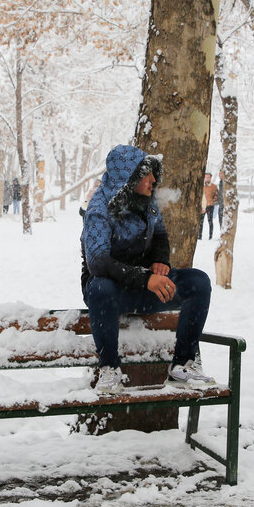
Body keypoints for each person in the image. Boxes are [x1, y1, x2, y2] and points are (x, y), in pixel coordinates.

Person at [81, 145, 214, 394]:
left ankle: (183, 364)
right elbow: (98, 262)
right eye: (147, 175)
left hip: (146, 288)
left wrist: (160, 260)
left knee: (198, 282)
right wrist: (145, 279)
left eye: (154, 174)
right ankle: (109, 369)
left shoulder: (147, 202)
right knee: (100, 285)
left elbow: (161, 235)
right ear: (128, 178)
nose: (154, 180)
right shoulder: (99, 209)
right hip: (111, 295)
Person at [199, 172, 219, 239]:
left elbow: (217, 196)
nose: (207, 179)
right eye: (206, 177)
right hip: (202, 206)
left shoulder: (214, 186)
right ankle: (199, 236)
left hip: (210, 205)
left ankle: (210, 236)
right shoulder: (201, 186)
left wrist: (213, 200)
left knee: (210, 221)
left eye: (208, 177)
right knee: (201, 222)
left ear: (210, 178)